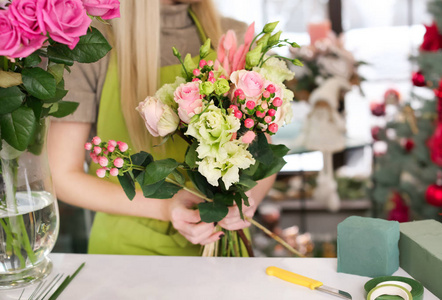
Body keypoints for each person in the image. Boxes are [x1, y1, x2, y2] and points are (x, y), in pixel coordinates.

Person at [48, 0, 276, 256]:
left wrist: (244, 202)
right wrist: (165, 208)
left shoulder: (234, 37)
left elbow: (263, 155)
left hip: (225, 249)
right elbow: (62, 175)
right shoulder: (91, 44)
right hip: (128, 258)